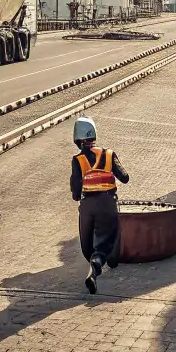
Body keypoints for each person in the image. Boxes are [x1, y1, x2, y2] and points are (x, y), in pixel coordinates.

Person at [70, 115, 130, 294]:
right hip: (107, 203)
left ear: (77, 139)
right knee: (104, 242)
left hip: (87, 206)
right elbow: (125, 177)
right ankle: (95, 270)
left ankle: (93, 259)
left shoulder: (77, 160)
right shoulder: (109, 154)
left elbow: (75, 191)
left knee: (87, 245)